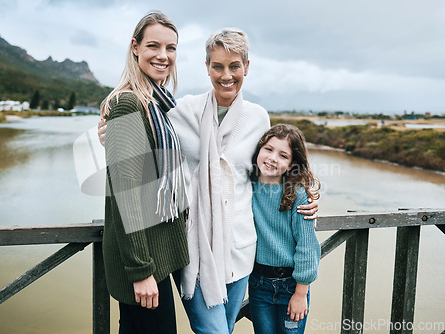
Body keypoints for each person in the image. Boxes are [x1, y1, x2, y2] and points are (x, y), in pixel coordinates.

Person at [98, 27, 319, 334]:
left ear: (246, 67)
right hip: (195, 249)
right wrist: (108, 134)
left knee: (224, 329)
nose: (226, 75)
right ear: (207, 68)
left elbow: (268, 174)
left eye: (234, 66)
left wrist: (304, 196)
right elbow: (144, 142)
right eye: (218, 66)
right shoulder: (182, 111)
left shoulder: (258, 118)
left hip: (241, 251)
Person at [100, 11, 189, 334]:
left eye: (171, 48)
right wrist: (140, 271)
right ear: (135, 47)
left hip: (157, 256)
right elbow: (126, 196)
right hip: (144, 263)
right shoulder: (129, 104)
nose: (163, 56)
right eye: (154, 45)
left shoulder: (159, 104)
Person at [248, 124, 321, 334]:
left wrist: (301, 292)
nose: (272, 158)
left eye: (283, 155)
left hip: (292, 285)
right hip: (258, 283)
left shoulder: (298, 196)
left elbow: (307, 247)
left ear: (291, 165)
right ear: (259, 150)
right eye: (268, 149)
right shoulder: (247, 188)